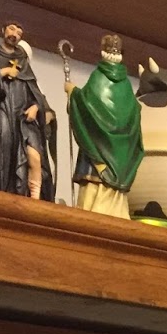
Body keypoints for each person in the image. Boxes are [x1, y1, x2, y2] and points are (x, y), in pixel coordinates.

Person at [0, 22, 57, 201]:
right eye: (12, 29)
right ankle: (2, 191)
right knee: (3, 146)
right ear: (3, 30)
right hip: (2, 112)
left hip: (23, 119)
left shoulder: (22, 61)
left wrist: (35, 107)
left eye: (19, 32)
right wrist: (2, 72)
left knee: (34, 156)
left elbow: (35, 92)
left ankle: (33, 199)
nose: (15, 34)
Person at [65, 33, 143, 217]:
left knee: (91, 207)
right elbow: (133, 114)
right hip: (120, 160)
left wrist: (73, 92)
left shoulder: (98, 78)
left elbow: (88, 110)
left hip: (97, 159)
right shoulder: (126, 87)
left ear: (102, 51)